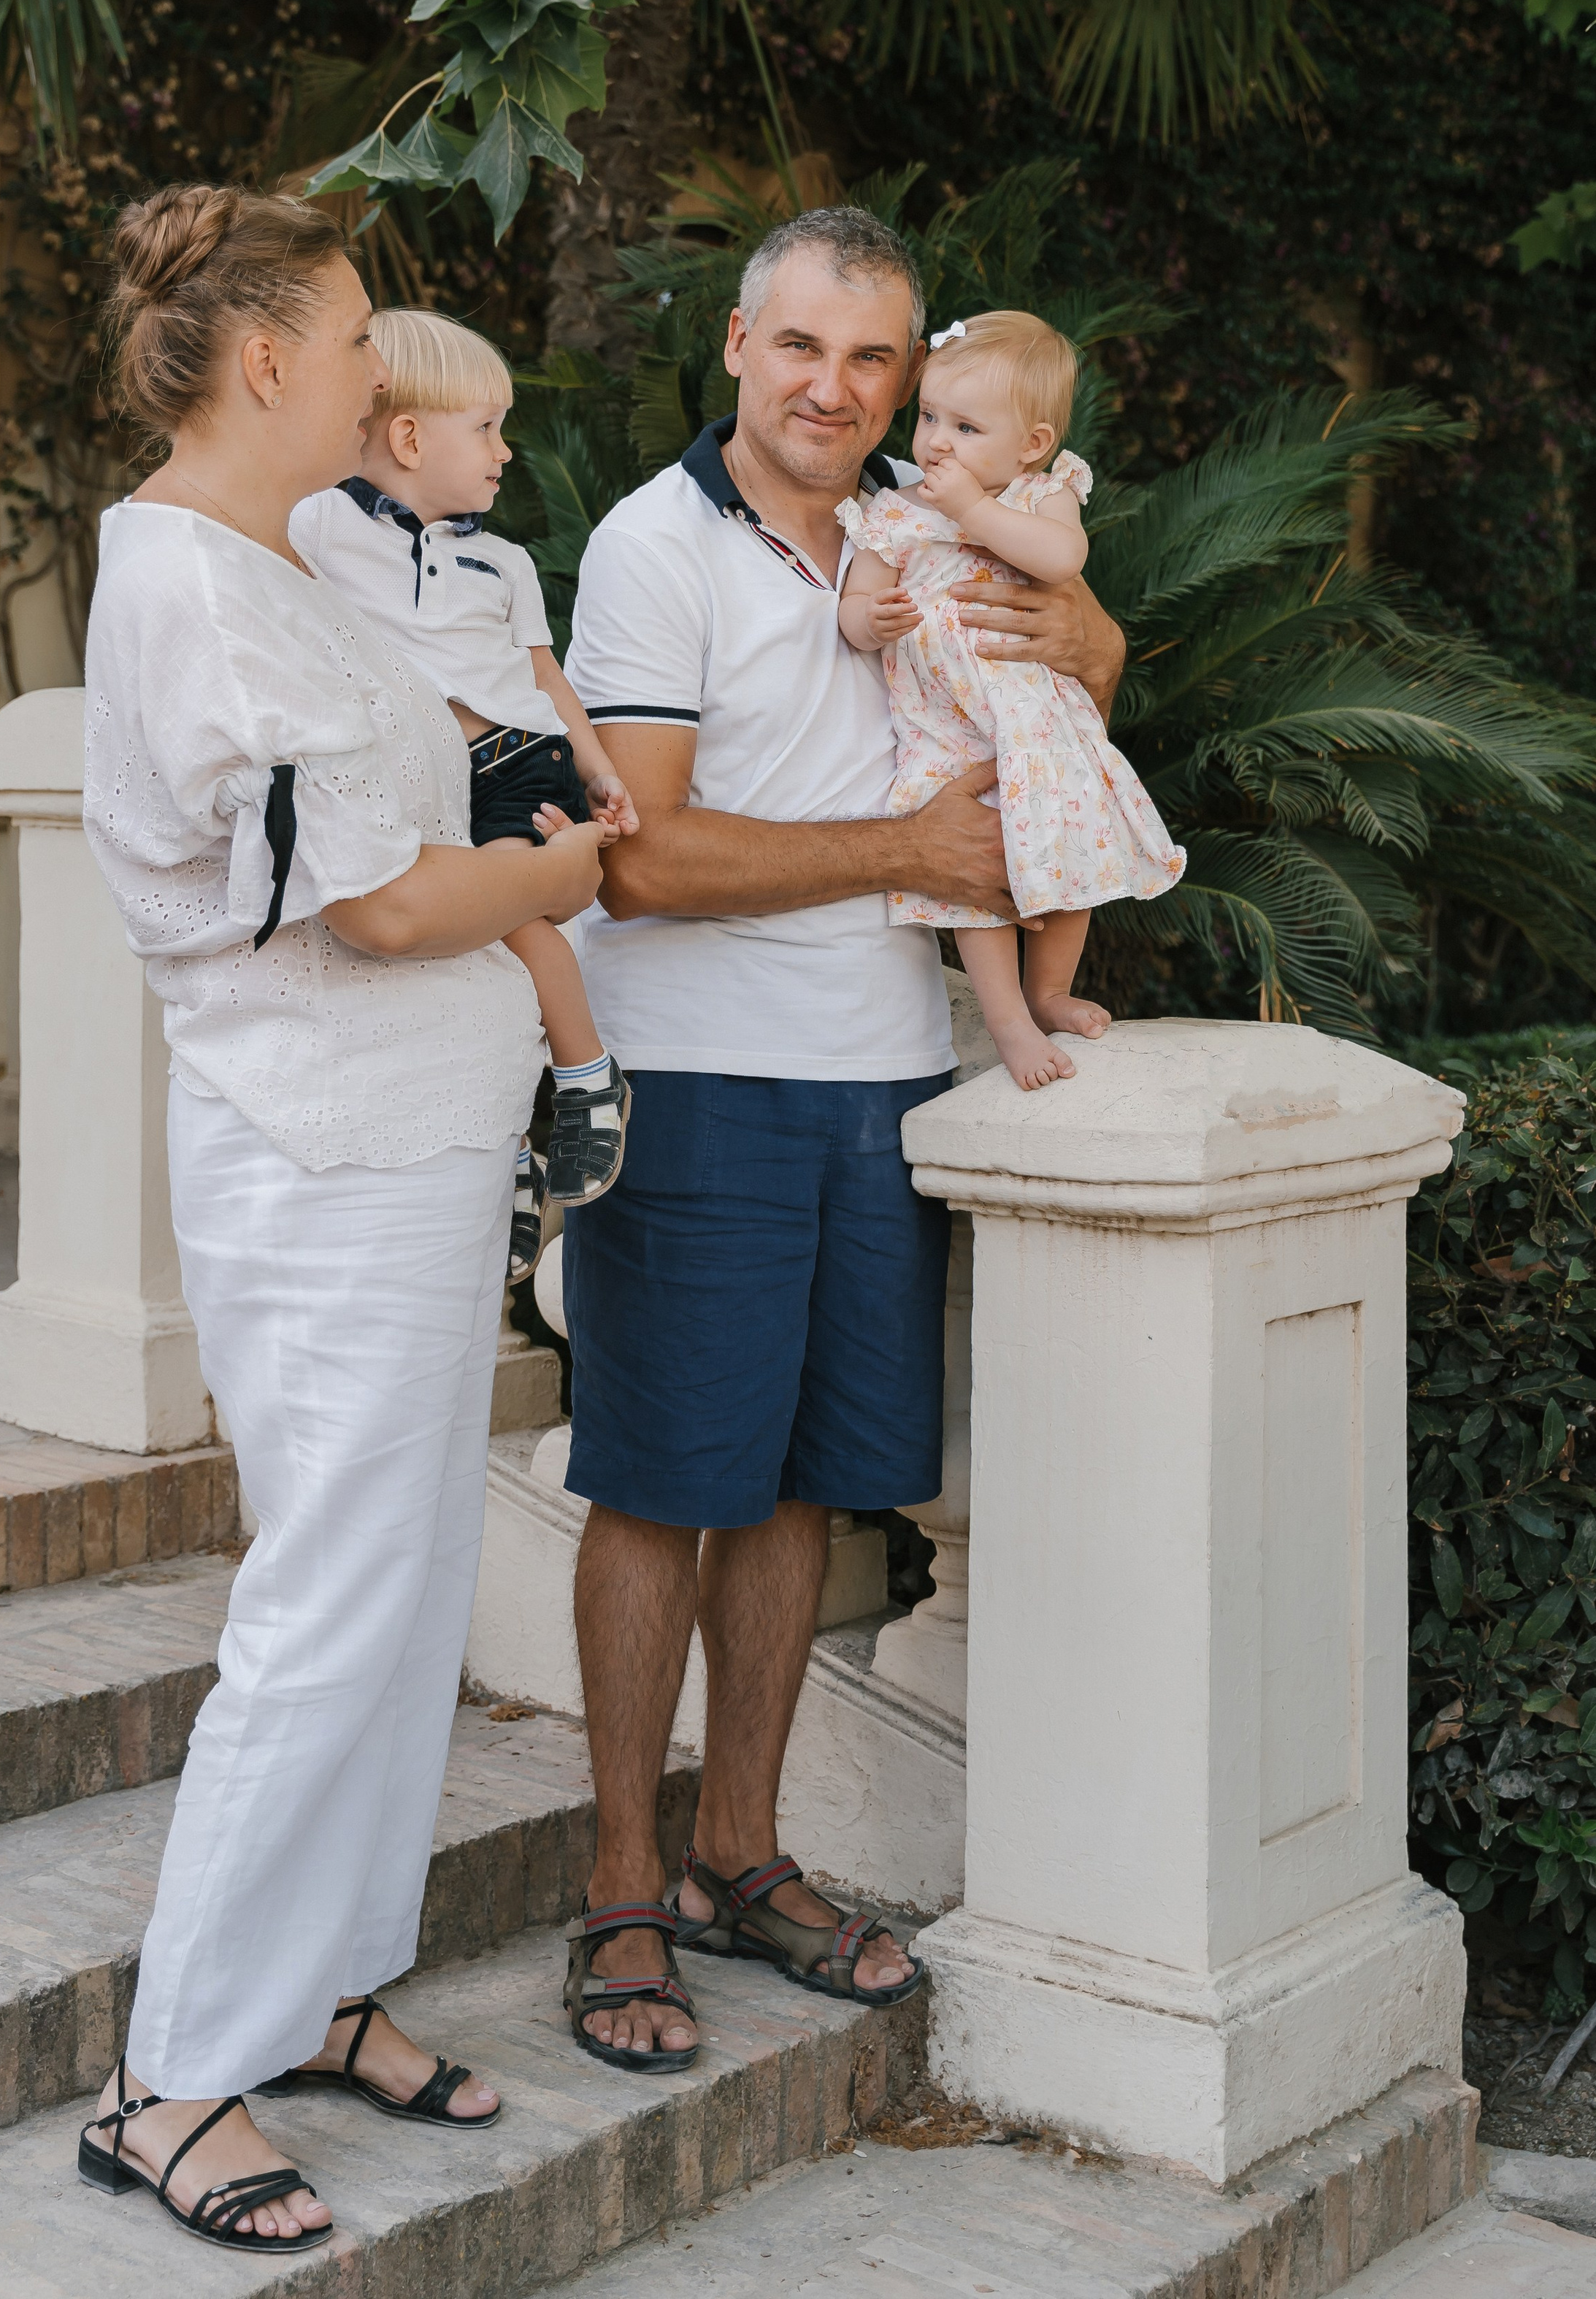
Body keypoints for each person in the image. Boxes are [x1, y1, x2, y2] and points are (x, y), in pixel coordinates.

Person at [74, 186, 606, 2248]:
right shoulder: (193, 590)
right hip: (324, 1155)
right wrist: (557, 887)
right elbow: (375, 905)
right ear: (270, 357)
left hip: (408, 1142)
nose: (388, 364)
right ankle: (175, 2071)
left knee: (400, 1599)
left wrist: (516, 793)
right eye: (364, 329)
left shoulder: (271, 558)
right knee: (325, 1609)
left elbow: (405, 796)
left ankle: (315, 1998)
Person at [556, 207, 1127, 2066]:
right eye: (801, 346)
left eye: (870, 358)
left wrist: (1094, 625)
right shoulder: (655, 548)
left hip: (882, 1072)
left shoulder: (932, 511)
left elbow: (1073, 673)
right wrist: (902, 853)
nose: (835, 388)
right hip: (700, 1074)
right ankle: (623, 1885)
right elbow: (634, 859)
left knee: (801, 1478)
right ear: (735, 342)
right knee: (661, 1477)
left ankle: (742, 1850)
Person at [291, 307, 635, 1278]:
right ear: (406, 437)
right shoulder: (320, 524)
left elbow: (547, 678)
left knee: (517, 926)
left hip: (520, 762)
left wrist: (601, 772)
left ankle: (588, 1079)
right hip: (421, 778)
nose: (506, 449)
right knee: (463, 967)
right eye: (485, 427)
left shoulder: (505, 560)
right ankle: (513, 1161)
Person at [838, 307, 1185, 1091]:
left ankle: (1050, 989)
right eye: (928, 416)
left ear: (1030, 445)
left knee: (1074, 842)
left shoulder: (1039, 497)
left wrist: (972, 511)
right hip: (948, 732)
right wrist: (870, 618)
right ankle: (1007, 1021)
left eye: (965, 427)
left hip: (1037, 726)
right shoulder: (894, 515)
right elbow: (856, 609)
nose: (935, 443)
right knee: (972, 884)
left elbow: (1063, 559)